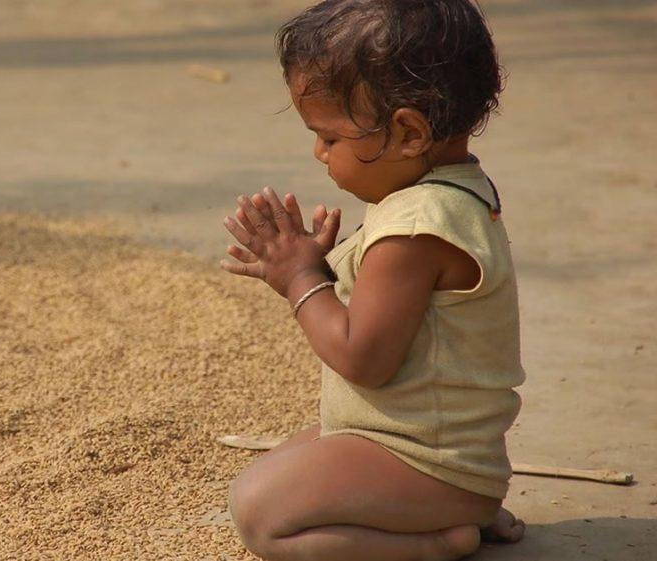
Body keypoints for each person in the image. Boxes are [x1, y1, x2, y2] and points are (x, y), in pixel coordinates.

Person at [220, 1, 527, 560]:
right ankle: (451, 508)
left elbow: (363, 358)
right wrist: (326, 266)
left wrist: (301, 279)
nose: (319, 154)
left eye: (331, 138)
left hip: (429, 459)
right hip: (429, 445)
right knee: (286, 465)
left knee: (259, 513)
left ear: (409, 132)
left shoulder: (413, 230)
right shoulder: (450, 193)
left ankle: (440, 537)